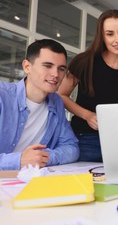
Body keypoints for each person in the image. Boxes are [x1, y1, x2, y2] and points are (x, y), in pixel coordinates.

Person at [57, 9, 118, 162]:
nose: (117, 40)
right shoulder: (84, 61)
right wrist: (88, 115)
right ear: (102, 36)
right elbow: (61, 95)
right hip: (85, 139)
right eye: (110, 34)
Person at [0, 39, 79, 170]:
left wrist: (42, 158)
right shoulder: (3, 96)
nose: (55, 74)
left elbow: (71, 147)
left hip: (31, 179)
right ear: (27, 67)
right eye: (48, 66)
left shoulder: (56, 102)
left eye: (61, 69)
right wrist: (19, 160)